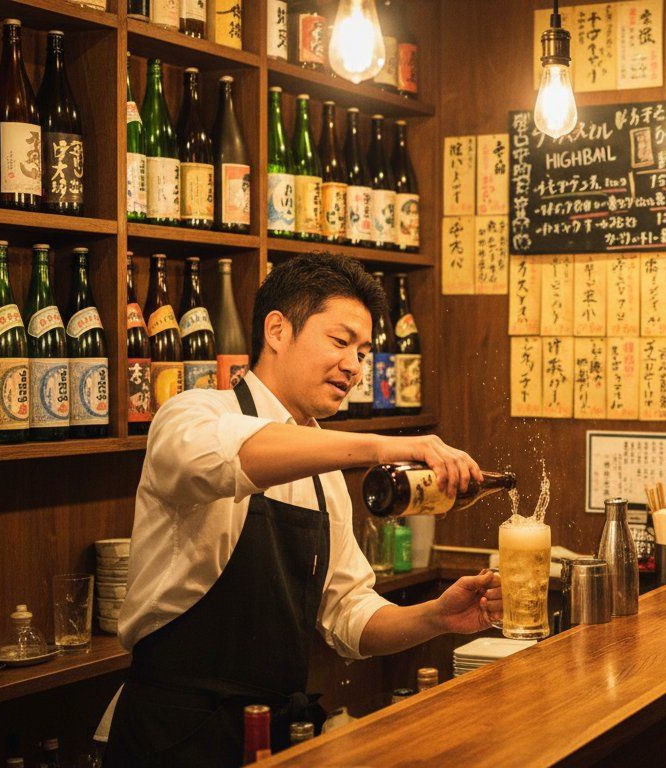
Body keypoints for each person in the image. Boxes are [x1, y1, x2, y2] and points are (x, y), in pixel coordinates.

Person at [105, 254, 502, 767]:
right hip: (173, 733)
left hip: (271, 735)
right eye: (340, 343)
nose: (356, 366)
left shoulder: (324, 474)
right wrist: (383, 449)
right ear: (277, 329)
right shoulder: (192, 414)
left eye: (363, 352)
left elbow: (350, 615)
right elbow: (233, 457)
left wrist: (435, 617)